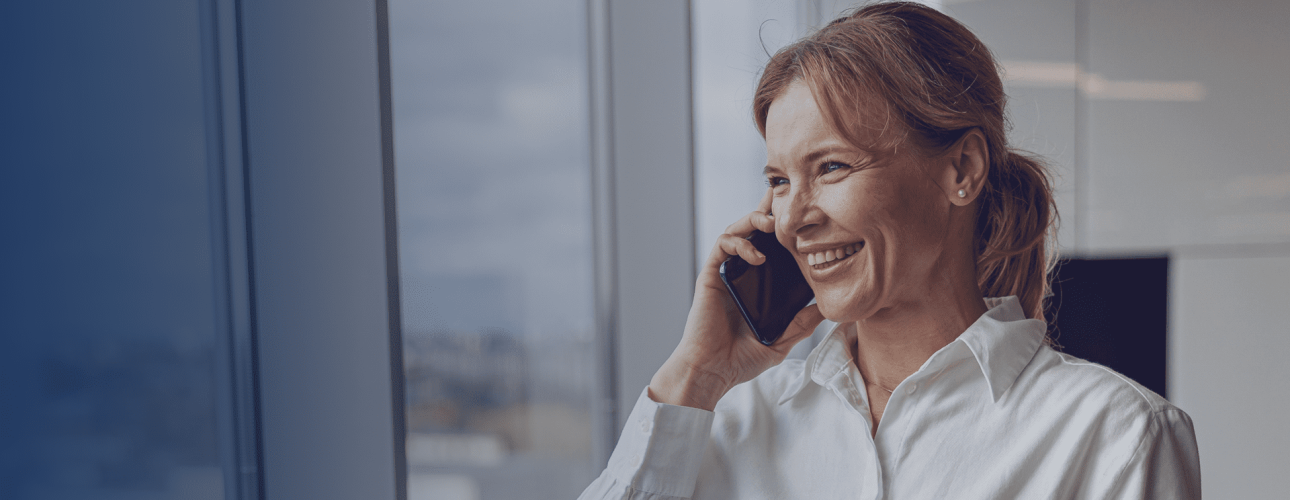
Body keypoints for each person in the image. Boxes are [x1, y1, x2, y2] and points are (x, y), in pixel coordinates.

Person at [579, 2, 1201, 499]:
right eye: (778, 181)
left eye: (831, 167)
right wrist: (697, 373)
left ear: (962, 169)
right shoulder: (726, 425)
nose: (792, 219)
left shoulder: (1116, 436)